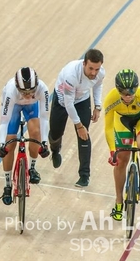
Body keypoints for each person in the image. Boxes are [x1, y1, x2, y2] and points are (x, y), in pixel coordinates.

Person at [104, 69, 140, 221]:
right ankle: (119, 201)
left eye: (131, 92)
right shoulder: (111, 98)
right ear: (117, 89)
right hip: (122, 122)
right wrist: (112, 151)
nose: (128, 97)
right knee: (121, 159)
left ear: (137, 88)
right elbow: (108, 127)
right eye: (123, 93)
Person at [48, 49, 105, 187]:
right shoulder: (71, 75)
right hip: (63, 100)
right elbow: (68, 103)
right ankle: (55, 150)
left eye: (96, 69)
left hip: (82, 99)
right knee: (55, 133)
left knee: (84, 135)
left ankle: (84, 175)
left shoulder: (100, 72)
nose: (93, 73)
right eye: (91, 68)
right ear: (84, 64)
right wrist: (78, 125)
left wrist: (97, 105)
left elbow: (98, 85)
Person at [0, 67, 50, 205]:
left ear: (36, 86)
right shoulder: (10, 91)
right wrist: (1, 145)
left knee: (36, 132)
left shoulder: (43, 89)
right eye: (23, 92)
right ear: (17, 86)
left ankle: (32, 168)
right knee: (9, 143)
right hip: (13, 106)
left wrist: (44, 142)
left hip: (31, 106)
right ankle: (7, 184)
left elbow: (44, 118)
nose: (27, 95)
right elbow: (4, 122)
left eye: (31, 91)